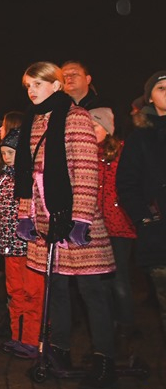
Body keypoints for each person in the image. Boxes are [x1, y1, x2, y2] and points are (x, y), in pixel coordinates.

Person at [14, 62, 116, 389]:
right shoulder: (33, 119)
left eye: (38, 84)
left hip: (72, 216)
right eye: (29, 85)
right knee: (55, 286)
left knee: (92, 291)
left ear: (56, 86)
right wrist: (25, 214)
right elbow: (28, 174)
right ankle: (59, 350)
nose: (32, 90)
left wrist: (82, 218)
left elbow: (86, 169)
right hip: (46, 217)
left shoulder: (75, 117)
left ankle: (104, 358)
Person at [116, 70, 166, 338]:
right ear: (150, 98)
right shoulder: (140, 137)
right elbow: (126, 184)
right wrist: (145, 217)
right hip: (160, 236)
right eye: (161, 88)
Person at [90, 107, 138, 356]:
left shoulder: (121, 151)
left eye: (95, 127)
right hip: (97, 226)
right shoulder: (88, 154)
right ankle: (104, 334)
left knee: (118, 280)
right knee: (100, 282)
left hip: (119, 225)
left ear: (107, 129)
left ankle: (124, 330)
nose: (90, 132)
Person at [0, 129, 44, 359]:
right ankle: (18, 335)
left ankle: (34, 339)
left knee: (33, 291)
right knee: (15, 292)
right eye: (3, 152)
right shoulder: (3, 176)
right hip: (9, 244)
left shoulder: (30, 177)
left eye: (11, 152)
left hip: (28, 244)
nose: (6, 157)